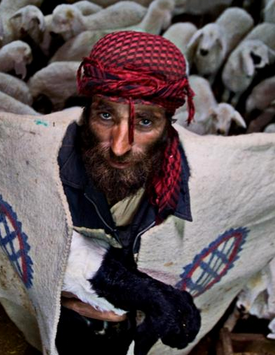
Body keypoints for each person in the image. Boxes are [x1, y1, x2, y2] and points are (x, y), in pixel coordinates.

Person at [55, 30, 199, 354]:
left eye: (145, 122)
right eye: (106, 115)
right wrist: (141, 292)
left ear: (168, 127)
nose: (119, 147)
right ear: (87, 111)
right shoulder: (49, 166)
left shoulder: (186, 185)